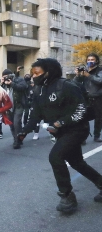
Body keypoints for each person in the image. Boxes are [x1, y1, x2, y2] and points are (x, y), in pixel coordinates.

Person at [19, 58, 102, 213]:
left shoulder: (67, 86)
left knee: (55, 157)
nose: (33, 75)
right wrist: (24, 131)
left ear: (48, 73)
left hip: (77, 130)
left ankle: (67, 195)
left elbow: (81, 110)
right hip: (61, 132)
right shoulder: (39, 90)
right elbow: (35, 116)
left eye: (37, 72)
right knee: (77, 163)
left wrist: (59, 123)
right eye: (32, 72)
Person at [73, 53, 102, 142]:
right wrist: (78, 75)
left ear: (96, 61)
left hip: (98, 97)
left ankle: (96, 135)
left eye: (92, 60)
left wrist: (88, 75)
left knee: (98, 118)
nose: (90, 62)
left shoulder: (100, 70)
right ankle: (83, 137)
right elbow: (75, 82)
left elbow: (100, 81)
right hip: (86, 97)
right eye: (88, 60)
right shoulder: (84, 70)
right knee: (83, 118)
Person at [1, 68, 28, 149]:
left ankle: (17, 141)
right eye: (4, 77)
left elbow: (23, 87)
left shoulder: (18, 79)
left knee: (17, 123)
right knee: (11, 125)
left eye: (7, 76)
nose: (6, 78)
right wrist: (1, 84)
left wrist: (12, 83)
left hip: (18, 105)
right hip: (8, 107)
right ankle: (16, 138)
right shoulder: (3, 84)